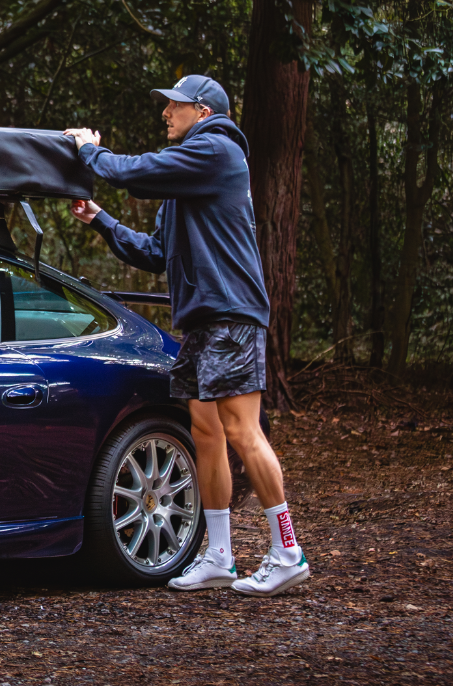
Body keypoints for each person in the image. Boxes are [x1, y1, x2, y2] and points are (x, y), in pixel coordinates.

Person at [63, 74, 310, 597]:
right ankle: (219, 554)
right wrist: (101, 220)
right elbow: (156, 253)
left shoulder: (216, 151)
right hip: (200, 320)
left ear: (200, 111)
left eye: (172, 105)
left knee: (244, 431)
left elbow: (138, 172)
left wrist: (91, 153)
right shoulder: (184, 183)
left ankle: (288, 551)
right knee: (206, 432)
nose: (164, 113)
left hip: (232, 314)